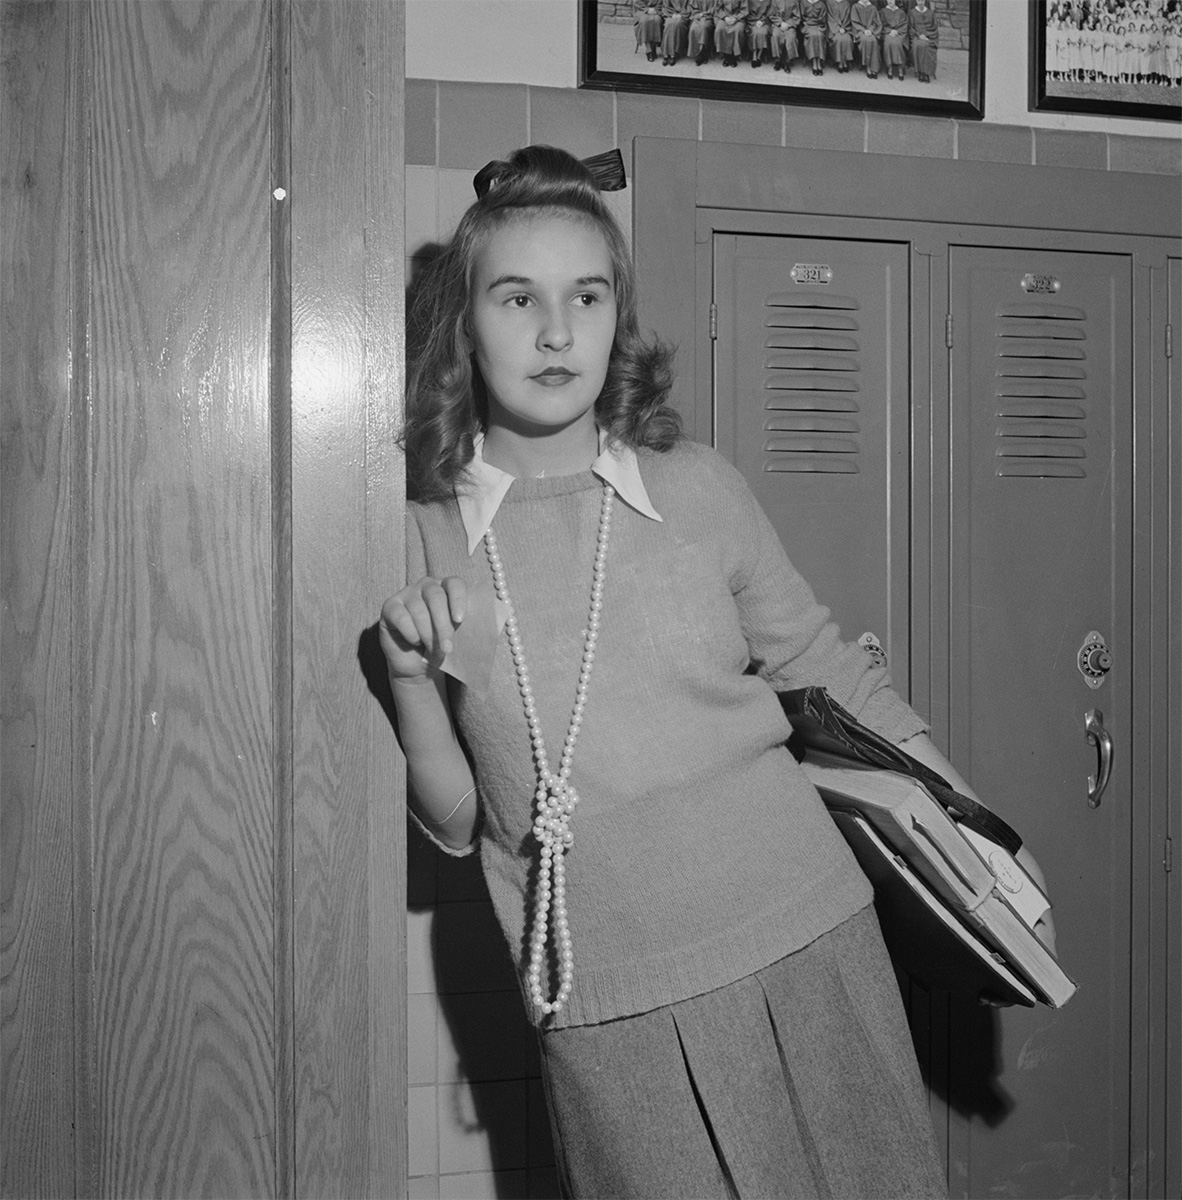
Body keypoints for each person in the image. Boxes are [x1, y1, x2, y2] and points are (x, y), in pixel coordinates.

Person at [382, 144, 1054, 1200]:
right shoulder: (421, 541)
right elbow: (464, 823)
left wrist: (980, 831)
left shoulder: (696, 487)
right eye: (518, 298)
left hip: (811, 935)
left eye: (587, 297)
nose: (558, 332)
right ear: (464, 324)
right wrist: (413, 681)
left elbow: (832, 672)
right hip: (609, 992)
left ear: (618, 318)